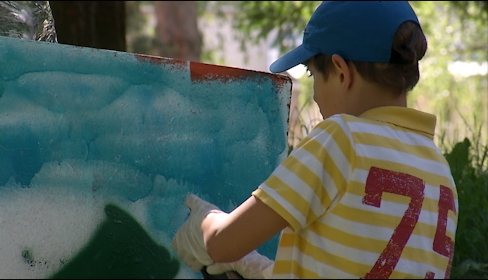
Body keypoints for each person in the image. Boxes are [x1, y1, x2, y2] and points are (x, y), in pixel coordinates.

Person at [171, 1, 459, 278]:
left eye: (313, 75)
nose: (316, 96)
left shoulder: (341, 138)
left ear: (342, 72)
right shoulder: (439, 169)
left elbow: (225, 243)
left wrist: (204, 224)